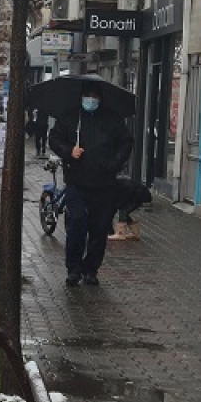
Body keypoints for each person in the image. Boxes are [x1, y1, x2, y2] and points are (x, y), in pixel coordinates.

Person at [48, 85, 134, 287]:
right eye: (87, 96)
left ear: (100, 98)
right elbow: (55, 138)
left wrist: (114, 163)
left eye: (94, 96)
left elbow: (126, 142)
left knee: (99, 228)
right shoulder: (70, 117)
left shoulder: (112, 119)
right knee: (77, 222)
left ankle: (91, 269)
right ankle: (73, 269)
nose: (91, 100)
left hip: (104, 183)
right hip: (77, 181)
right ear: (81, 97)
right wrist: (69, 151)